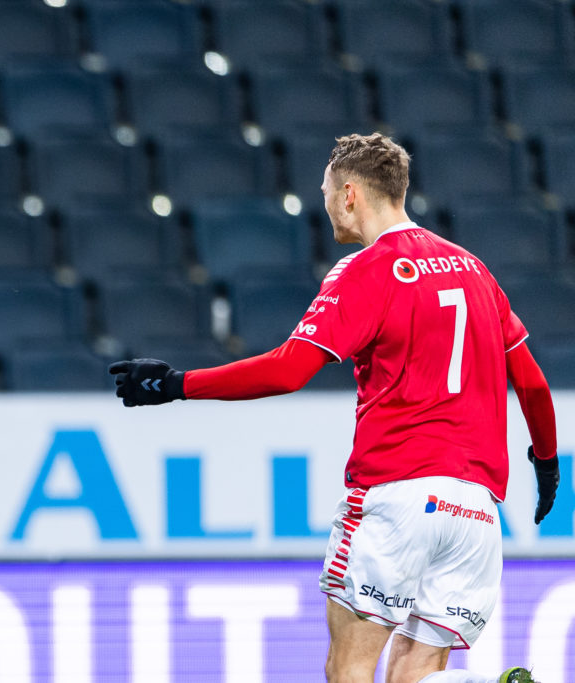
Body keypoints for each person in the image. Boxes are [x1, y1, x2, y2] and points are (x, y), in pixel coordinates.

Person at [109, 133, 557, 683]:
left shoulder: (365, 270)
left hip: (397, 496)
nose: (322, 205)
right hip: (478, 510)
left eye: (323, 191)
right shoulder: (475, 271)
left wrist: (175, 384)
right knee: (418, 673)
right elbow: (533, 385)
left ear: (349, 193)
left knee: (349, 666)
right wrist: (547, 461)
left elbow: (286, 369)